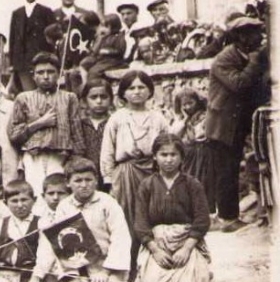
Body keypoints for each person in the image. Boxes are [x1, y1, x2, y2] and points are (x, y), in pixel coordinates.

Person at [34, 157, 132, 282]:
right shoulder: (64, 206)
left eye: (88, 180)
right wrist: (73, 277)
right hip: (81, 271)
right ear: (68, 183)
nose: (84, 185)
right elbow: (63, 245)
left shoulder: (108, 203)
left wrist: (106, 272)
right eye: (78, 181)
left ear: (96, 181)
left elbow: (121, 238)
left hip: (108, 267)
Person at [131, 133, 213, 282]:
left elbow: (202, 220)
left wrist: (186, 248)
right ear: (155, 156)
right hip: (158, 243)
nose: (169, 160)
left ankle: (201, 271)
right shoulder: (147, 185)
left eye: (173, 154)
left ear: (181, 157)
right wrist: (155, 250)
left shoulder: (192, 184)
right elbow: (140, 222)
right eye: (164, 154)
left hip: (186, 241)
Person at [204, 16, 268, 231]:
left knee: (231, 169)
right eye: (254, 33)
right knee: (227, 172)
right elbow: (239, 84)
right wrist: (255, 62)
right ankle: (228, 219)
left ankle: (231, 215)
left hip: (237, 123)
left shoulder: (247, 55)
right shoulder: (224, 59)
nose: (259, 37)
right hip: (222, 126)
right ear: (241, 36)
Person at [101, 70, 170, 227]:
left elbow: (168, 145)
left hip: (152, 171)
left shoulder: (158, 118)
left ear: (150, 91)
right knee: (127, 214)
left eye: (141, 87)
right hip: (126, 173)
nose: (137, 92)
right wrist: (109, 180)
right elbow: (107, 151)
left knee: (153, 211)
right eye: (131, 88)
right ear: (123, 93)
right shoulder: (117, 118)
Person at [8, 53, 84, 191]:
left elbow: (77, 134)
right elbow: (14, 135)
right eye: (40, 72)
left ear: (58, 74)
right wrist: (40, 123)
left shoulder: (69, 98)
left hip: (61, 157)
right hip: (33, 157)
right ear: (33, 75)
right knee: (36, 193)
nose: (46, 76)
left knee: (59, 193)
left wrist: (76, 161)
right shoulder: (23, 98)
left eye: (50, 72)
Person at [8, 0, 57, 94]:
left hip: (41, 60)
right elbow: (12, 39)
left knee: (44, 90)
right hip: (22, 62)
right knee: (29, 93)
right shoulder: (17, 13)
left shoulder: (46, 11)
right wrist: (12, 63)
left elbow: (53, 37)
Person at [172, 88, 218, 210]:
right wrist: (185, 119)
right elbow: (175, 136)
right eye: (184, 105)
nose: (187, 107)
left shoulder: (204, 116)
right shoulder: (184, 119)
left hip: (203, 154)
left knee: (204, 182)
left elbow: (200, 135)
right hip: (189, 156)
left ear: (197, 101)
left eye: (190, 103)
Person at [74, 79, 115, 172]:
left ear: (111, 99)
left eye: (104, 97)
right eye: (93, 97)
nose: (99, 101)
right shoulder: (79, 125)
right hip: (86, 173)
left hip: (112, 171)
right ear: (84, 101)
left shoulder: (115, 123)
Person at [81, 13, 127, 87]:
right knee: (85, 64)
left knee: (94, 72)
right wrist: (100, 39)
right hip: (102, 60)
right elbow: (95, 51)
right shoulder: (103, 37)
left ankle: (93, 87)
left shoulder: (118, 37)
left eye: (106, 27)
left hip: (113, 61)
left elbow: (120, 50)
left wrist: (108, 51)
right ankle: (85, 85)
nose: (103, 29)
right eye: (102, 26)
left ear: (114, 27)